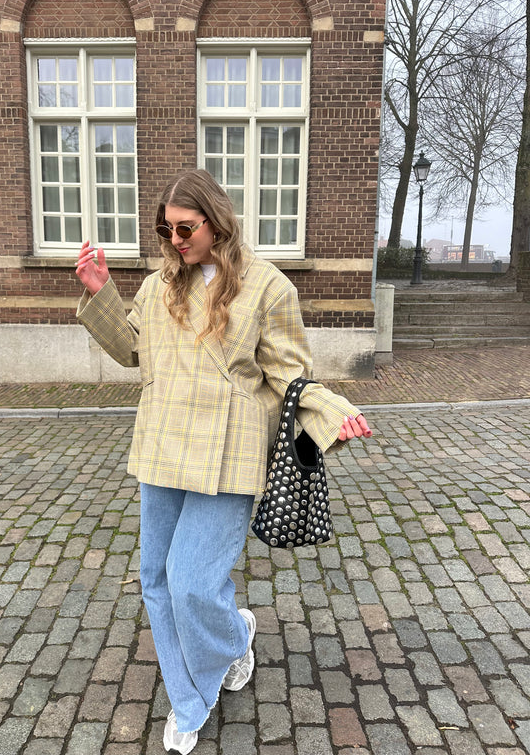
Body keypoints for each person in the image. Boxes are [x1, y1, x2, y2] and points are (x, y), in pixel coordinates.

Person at [75, 169, 372, 754]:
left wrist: (332, 411)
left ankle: (231, 641)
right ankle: (192, 697)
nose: (175, 239)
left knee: (191, 583)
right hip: (162, 445)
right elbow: (131, 350)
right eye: (166, 230)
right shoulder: (160, 285)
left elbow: (290, 375)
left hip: (228, 451)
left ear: (216, 221)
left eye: (185, 228)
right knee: (157, 580)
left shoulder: (268, 287)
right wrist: (101, 289)